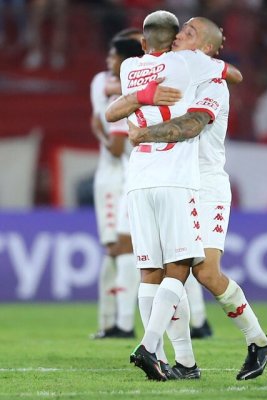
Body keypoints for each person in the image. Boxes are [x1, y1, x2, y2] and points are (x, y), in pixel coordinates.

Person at [112, 16, 267, 381]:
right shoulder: (174, 72)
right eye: (178, 29)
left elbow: (190, 125)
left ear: (203, 47)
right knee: (170, 270)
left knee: (202, 271)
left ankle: (259, 341)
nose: (178, 36)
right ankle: (184, 362)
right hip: (171, 180)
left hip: (206, 186)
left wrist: (142, 134)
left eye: (187, 33)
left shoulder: (213, 86)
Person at [89, 29, 143, 340]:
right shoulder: (107, 85)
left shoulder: (122, 93)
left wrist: (97, 129)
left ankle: (120, 323)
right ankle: (112, 321)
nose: (108, 60)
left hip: (119, 178)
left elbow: (116, 145)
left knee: (120, 247)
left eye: (113, 55)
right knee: (115, 249)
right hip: (121, 176)